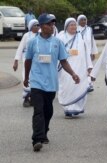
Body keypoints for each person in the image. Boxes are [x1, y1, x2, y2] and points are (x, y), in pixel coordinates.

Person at [24, 13, 80, 152]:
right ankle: (37, 139)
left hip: (51, 83)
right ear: (41, 26)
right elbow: (28, 61)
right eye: (49, 24)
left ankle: (44, 132)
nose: (52, 26)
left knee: (48, 111)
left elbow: (64, 61)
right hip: (36, 82)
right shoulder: (32, 42)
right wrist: (26, 78)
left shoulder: (57, 42)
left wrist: (73, 73)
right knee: (38, 111)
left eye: (53, 24)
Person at [57, 18, 93, 118]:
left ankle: (77, 108)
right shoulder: (61, 37)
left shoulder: (80, 36)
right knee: (67, 87)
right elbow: (57, 52)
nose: (73, 27)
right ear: (66, 27)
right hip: (66, 67)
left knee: (79, 86)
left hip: (80, 67)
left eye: (74, 25)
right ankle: (68, 108)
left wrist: (89, 66)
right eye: (71, 25)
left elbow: (86, 52)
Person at [13, 19, 40, 107]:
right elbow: (20, 48)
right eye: (35, 25)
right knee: (26, 77)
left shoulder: (41, 35)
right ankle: (26, 99)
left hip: (38, 60)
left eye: (38, 25)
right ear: (31, 27)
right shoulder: (26, 35)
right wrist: (16, 61)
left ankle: (32, 98)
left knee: (36, 79)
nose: (37, 27)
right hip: (27, 60)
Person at [77, 14, 98, 92]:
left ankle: (89, 84)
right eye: (81, 20)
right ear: (78, 21)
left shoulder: (89, 29)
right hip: (79, 53)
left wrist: (93, 52)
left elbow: (92, 41)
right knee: (81, 69)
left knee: (89, 68)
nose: (83, 21)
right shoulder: (75, 29)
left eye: (84, 19)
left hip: (88, 52)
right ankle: (81, 85)